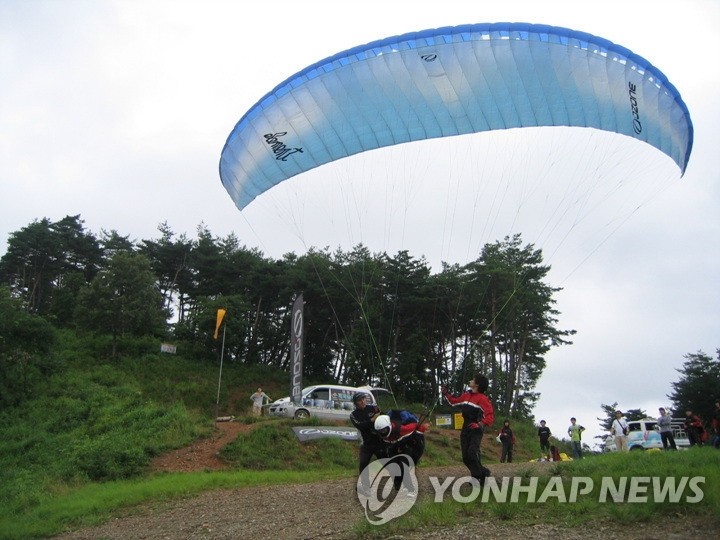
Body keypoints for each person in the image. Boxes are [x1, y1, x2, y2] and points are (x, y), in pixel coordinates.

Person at [443, 374, 495, 486]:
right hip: (465, 428)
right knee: (465, 457)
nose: (470, 381)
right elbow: (453, 401)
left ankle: (476, 477)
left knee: (472, 453)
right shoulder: (466, 395)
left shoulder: (483, 399)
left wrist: (480, 424)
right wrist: (445, 393)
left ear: (477, 384)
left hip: (476, 429)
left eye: (473, 380)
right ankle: (484, 473)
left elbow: (490, 416)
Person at [373, 409, 428, 495]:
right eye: (380, 432)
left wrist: (424, 427)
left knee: (403, 464)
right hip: (395, 445)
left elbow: (417, 427)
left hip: (411, 444)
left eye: (384, 431)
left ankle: (410, 488)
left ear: (390, 426)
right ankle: (398, 482)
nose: (383, 433)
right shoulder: (381, 436)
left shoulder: (403, 429)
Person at [349, 392, 386, 494]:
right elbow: (361, 426)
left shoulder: (373, 408)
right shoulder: (353, 415)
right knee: (363, 464)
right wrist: (372, 419)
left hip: (379, 441)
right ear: (355, 403)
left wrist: (380, 415)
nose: (362, 402)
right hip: (366, 444)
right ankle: (365, 487)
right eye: (359, 400)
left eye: (363, 399)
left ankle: (399, 482)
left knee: (388, 462)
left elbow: (384, 418)